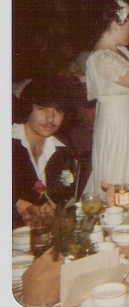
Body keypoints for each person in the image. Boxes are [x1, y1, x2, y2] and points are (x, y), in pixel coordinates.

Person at [83, 0, 129, 200]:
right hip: (116, 123)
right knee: (117, 169)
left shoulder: (120, 51)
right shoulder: (101, 57)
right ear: (116, 24)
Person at [13, 80, 75, 229]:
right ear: (28, 109)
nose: (50, 118)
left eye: (58, 111)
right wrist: (17, 204)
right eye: (43, 109)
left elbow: (64, 200)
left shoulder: (62, 151)